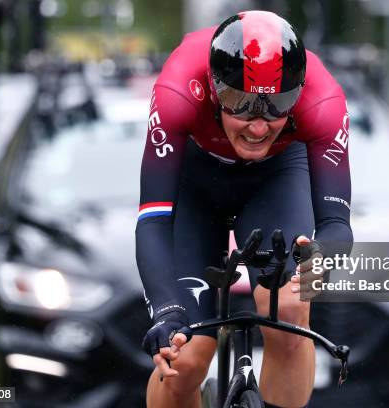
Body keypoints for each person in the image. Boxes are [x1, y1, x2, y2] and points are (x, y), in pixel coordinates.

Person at [135, 10, 353, 408]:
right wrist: (166, 312)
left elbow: (336, 225)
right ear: (215, 91)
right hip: (195, 186)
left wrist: (320, 260)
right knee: (185, 357)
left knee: (289, 313)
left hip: (275, 180)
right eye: (241, 105)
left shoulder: (322, 100)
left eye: (277, 106)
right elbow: (152, 222)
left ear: (298, 91)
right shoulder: (179, 90)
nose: (258, 127)